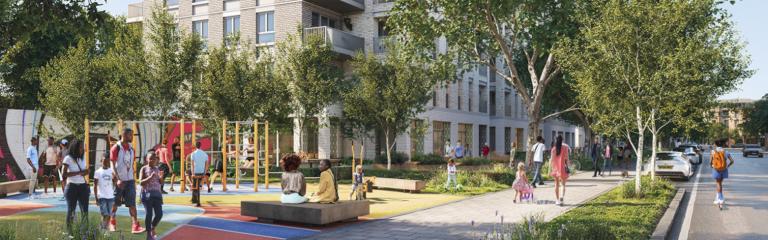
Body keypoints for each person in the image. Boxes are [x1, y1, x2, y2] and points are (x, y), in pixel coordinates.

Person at [109, 128, 145, 234]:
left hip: (130, 180)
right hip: (119, 181)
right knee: (115, 203)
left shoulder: (132, 149)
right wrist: (117, 179)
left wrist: (133, 178)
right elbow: (112, 165)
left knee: (132, 204)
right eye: (130, 135)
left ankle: (135, 226)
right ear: (124, 135)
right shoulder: (116, 148)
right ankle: (112, 222)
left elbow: (130, 164)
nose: (132, 137)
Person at [62, 139, 90, 228]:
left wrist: (86, 171)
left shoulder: (83, 158)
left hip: (83, 187)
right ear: (75, 148)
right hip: (71, 187)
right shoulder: (68, 158)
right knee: (71, 211)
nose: (82, 149)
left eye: (83, 147)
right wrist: (78, 172)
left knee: (85, 211)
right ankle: (70, 233)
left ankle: (85, 232)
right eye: (81, 147)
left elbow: (84, 171)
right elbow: (64, 174)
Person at [139, 152, 164, 239]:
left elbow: (161, 183)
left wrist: (161, 178)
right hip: (147, 195)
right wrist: (150, 177)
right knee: (149, 214)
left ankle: (153, 227)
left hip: (157, 195)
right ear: (147, 159)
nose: (152, 160)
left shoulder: (157, 169)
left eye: (154, 159)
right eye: (150, 159)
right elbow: (141, 182)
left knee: (159, 214)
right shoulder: (143, 168)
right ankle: (148, 234)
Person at [93, 154, 115, 231]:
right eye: (104, 161)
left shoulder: (111, 171)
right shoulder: (98, 172)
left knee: (109, 215)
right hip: (102, 196)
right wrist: (96, 197)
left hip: (111, 196)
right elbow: (95, 185)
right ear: (101, 161)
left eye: (107, 161)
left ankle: (105, 229)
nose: (106, 163)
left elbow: (114, 182)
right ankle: (102, 230)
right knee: (104, 214)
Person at [711, 139, 734, 209]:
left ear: (716, 145)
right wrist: (727, 166)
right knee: (720, 183)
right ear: (722, 145)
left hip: (716, 169)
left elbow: (710, 162)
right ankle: (719, 197)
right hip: (724, 169)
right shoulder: (726, 152)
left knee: (718, 183)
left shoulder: (713, 152)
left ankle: (720, 198)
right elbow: (732, 161)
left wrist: (712, 165)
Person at [549, 135, 570, 206]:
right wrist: (568, 167)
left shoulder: (553, 149)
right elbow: (567, 159)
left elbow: (551, 160)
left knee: (556, 184)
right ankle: (561, 197)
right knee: (563, 184)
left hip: (555, 169)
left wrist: (549, 170)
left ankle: (557, 200)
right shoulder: (565, 148)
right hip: (563, 168)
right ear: (562, 140)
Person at [189, 142, 209, 207]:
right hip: (201, 172)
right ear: (200, 146)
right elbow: (206, 165)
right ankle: (195, 200)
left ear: (195, 146)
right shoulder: (205, 154)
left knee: (195, 187)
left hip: (196, 172)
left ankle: (196, 201)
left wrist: (192, 173)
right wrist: (204, 173)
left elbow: (192, 164)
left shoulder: (193, 154)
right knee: (197, 186)